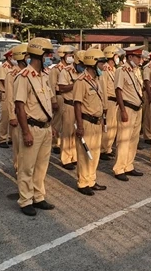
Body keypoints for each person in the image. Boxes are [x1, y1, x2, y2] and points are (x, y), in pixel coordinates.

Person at [13, 37, 56, 215]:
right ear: (39, 54)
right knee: (27, 166)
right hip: (31, 128)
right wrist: (25, 132)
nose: (50, 58)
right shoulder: (23, 77)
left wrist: (50, 124)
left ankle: (38, 197)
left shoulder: (44, 76)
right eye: (47, 54)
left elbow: (47, 104)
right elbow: (19, 107)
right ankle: (25, 200)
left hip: (45, 128)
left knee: (41, 166)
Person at [74, 48, 108, 195]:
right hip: (86, 122)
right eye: (101, 63)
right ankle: (83, 183)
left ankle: (91, 180)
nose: (103, 66)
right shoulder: (81, 81)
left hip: (97, 122)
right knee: (84, 154)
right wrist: (80, 126)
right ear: (93, 63)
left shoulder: (96, 80)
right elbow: (77, 104)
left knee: (94, 153)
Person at [113, 46, 145, 181]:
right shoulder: (122, 70)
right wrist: (123, 110)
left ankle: (128, 165)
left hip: (137, 108)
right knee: (124, 139)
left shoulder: (135, 71)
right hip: (127, 108)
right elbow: (118, 91)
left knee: (133, 139)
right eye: (138, 57)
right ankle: (119, 168)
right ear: (130, 57)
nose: (140, 60)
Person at [57, 48, 82, 170]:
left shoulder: (84, 72)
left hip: (80, 106)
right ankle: (66, 159)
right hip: (69, 105)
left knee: (77, 133)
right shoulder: (65, 71)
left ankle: (74, 156)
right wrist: (75, 84)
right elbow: (61, 88)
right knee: (67, 133)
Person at [5, 44, 28, 172]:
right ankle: (19, 171)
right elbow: (9, 97)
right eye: (28, 56)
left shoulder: (30, 72)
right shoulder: (12, 74)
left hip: (29, 116)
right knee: (18, 148)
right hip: (17, 116)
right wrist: (12, 117)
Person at [50, 45, 75, 154]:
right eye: (69, 55)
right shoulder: (56, 69)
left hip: (69, 98)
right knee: (57, 121)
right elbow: (51, 86)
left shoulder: (71, 69)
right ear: (63, 55)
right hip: (59, 96)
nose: (71, 57)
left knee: (67, 123)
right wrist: (53, 101)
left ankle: (64, 144)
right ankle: (55, 143)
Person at [100, 46, 123, 160]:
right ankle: (103, 149)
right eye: (116, 56)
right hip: (108, 100)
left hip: (115, 102)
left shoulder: (114, 69)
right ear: (111, 56)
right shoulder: (105, 70)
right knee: (107, 126)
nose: (118, 58)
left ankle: (108, 148)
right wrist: (104, 104)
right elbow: (103, 88)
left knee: (113, 126)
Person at [0, 50, 14, 148]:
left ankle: (12, 137)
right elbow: (3, 80)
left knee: (13, 115)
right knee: (5, 117)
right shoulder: (4, 67)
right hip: (5, 93)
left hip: (13, 93)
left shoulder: (14, 67)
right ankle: (2, 138)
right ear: (9, 57)